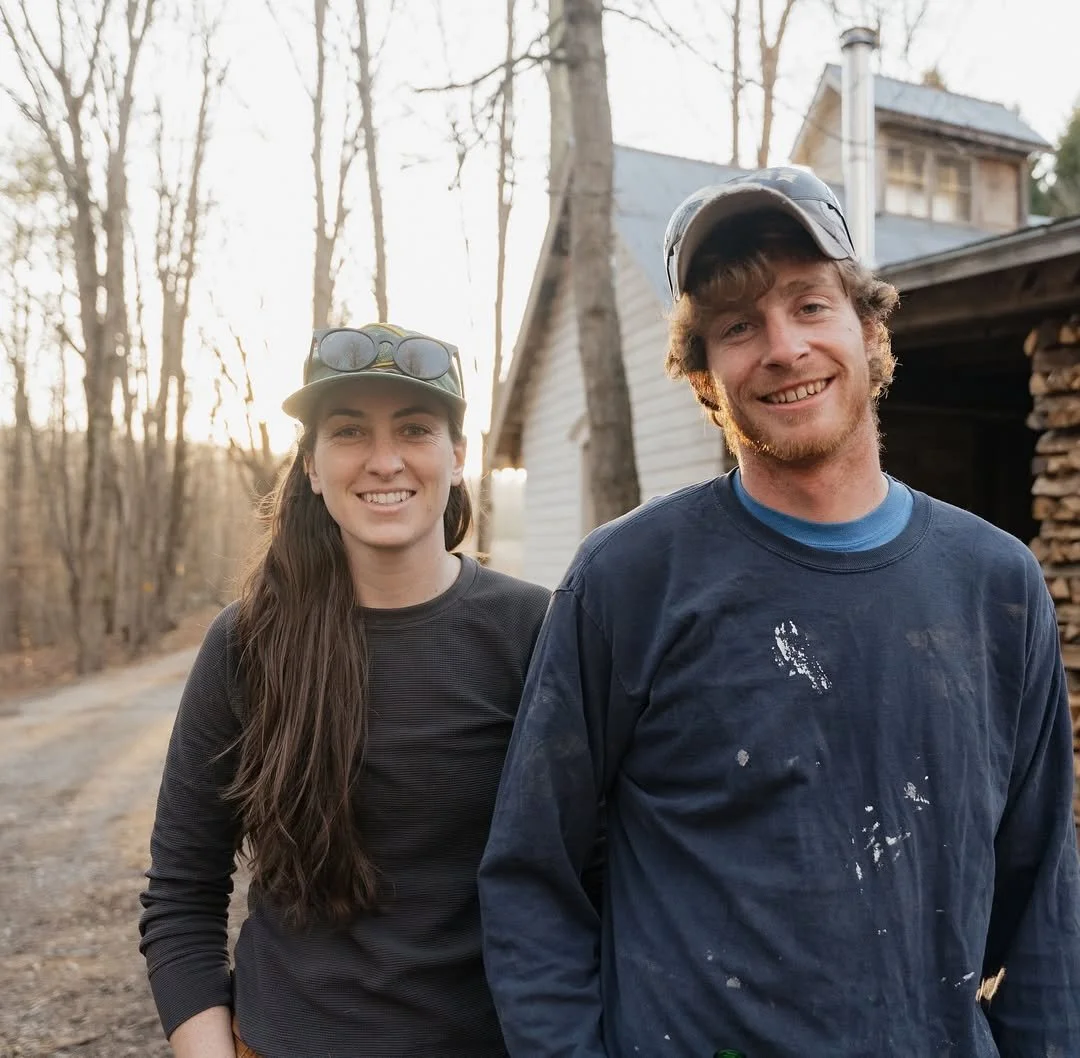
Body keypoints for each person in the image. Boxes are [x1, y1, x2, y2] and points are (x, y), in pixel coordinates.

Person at [478, 167, 1080, 1056]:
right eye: (736, 326)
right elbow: (534, 875)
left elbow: (1044, 909)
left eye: (809, 305)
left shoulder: (996, 586)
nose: (782, 348)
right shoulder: (630, 580)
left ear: (869, 329)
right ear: (704, 374)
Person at [139, 322, 551, 1058]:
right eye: (350, 431)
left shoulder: (535, 631)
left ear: (457, 458)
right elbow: (181, 894)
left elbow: (598, 873)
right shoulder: (248, 645)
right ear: (313, 468)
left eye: (416, 429)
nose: (385, 460)